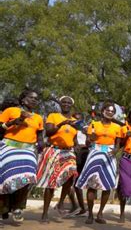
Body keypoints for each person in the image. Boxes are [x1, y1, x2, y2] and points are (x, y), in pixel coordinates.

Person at [0, 90, 44, 223]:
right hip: (9, 147)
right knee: (6, 178)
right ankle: (3, 208)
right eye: (31, 98)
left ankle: (18, 207)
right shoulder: (11, 111)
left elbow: (40, 136)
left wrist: (41, 144)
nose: (34, 101)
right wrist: (15, 121)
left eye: (36, 99)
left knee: (28, 178)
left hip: (28, 150)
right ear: (23, 99)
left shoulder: (38, 118)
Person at [75, 102, 121, 224]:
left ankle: (100, 214)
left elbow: (118, 143)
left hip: (109, 156)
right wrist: (91, 138)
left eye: (112, 111)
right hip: (95, 153)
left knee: (107, 185)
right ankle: (90, 214)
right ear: (103, 111)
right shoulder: (94, 124)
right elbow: (88, 143)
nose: (110, 112)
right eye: (108, 110)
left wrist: (115, 151)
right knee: (92, 185)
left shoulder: (117, 127)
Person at [36, 96, 79, 223]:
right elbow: (48, 132)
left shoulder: (74, 121)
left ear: (71, 105)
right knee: (51, 182)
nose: (66, 104)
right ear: (60, 104)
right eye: (64, 102)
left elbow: (74, 137)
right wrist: (62, 124)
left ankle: (60, 203)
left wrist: (76, 146)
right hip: (54, 150)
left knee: (70, 177)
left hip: (68, 151)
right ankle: (45, 213)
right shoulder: (53, 116)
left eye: (68, 102)